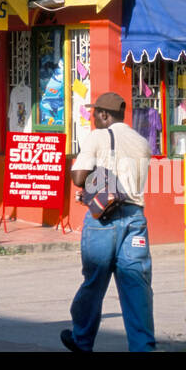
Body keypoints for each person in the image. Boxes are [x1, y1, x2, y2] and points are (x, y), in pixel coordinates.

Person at [61, 90, 155, 353]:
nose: (92, 119)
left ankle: (82, 340)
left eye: (94, 114)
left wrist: (87, 175)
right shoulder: (141, 142)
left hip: (104, 220)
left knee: (95, 281)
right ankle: (144, 347)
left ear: (104, 114)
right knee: (137, 284)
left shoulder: (99, 136)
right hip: (136, 219)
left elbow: (79, 178)